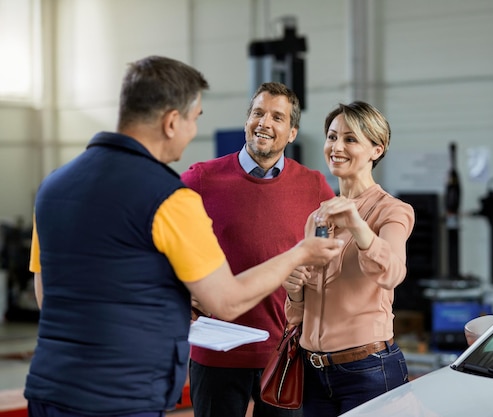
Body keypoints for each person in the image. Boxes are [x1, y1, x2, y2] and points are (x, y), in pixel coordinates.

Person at [24, 56, 343, 417]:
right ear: (172, 121)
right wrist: (301, 254)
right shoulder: (171, 196)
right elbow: (225, 301)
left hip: (50, 387)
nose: (194, 131)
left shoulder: (52, 186)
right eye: (195, 119)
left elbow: (46, 296)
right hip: (124, 393)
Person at [181, 82, 336, 417]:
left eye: (277, 117)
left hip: (283, 353)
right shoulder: (201, 179)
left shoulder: (313, 185)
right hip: (216, 352)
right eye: (258, 113)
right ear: (247, 121)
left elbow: (337, 253)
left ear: (292, 131)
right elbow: (160, 238)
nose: (265, 122)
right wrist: (178, 287)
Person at [284, 101, 416, 416]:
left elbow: (392, 273)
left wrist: (357, 223)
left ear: (376, 149)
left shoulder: (392, 211)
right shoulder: (318, 216)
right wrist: (294, 289)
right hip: (314, 372)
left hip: (368, 371)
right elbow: (298, 314)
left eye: (350, 139)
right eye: (332, 137)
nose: (336, 146)